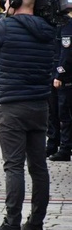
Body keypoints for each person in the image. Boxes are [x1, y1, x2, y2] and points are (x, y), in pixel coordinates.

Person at [0, 0, 54, 230]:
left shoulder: (5, 26)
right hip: (40, 105)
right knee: (39, 167)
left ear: (15, 2)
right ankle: (35, 224)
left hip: (12, 106)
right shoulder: (48, 30)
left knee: (14, 167)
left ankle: (11, 225)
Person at [48, 18, 72, 162]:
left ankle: (65, 148)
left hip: (63, 76)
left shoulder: (68, 25)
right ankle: (52, 143)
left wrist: (60, 75)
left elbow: (66, 52)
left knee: (64, 113)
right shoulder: (56, 24)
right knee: (53, 112)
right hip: (53, 72)